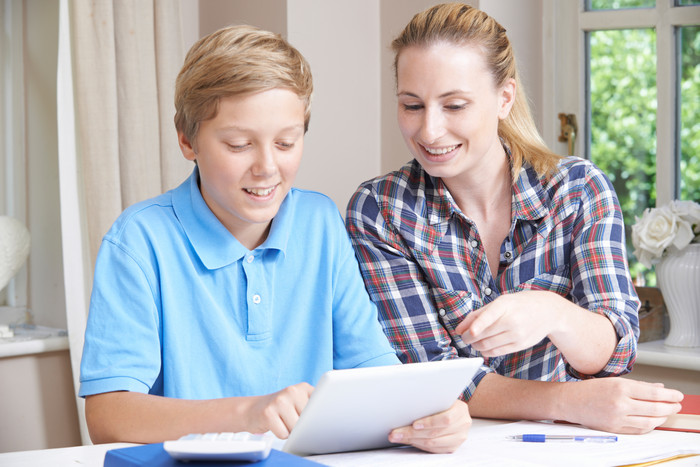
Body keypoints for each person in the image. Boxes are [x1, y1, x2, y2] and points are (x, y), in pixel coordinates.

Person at [79, 24, 470, 453]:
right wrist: (248, 414)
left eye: (286, 142)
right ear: (187, 140)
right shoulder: (138, 242)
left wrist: (434, 413)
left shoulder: (318, 222)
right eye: (239, 144)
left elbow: (371, 370)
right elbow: (108, 415)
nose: (267, 167)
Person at [346, 2, 683, 434]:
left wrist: (551, 312)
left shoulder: (578, 191)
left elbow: (616, 350)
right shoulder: (381, 210)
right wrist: (569, 401)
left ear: (504, 98)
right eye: (412, 105)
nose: (429, 131)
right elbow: (430, 377)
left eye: (454, 106)